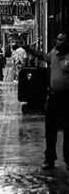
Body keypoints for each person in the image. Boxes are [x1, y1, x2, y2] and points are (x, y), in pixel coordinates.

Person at [25, 33, 69, 171]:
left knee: (68, 130)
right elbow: (43, 56)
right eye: (57, 39)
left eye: (61, 40)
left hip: (66, 98)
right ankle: (49, 159)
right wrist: (28, 49)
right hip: (54, 97)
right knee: (50, 130)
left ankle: (68, 160)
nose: (57, 42)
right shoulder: (54, 54)